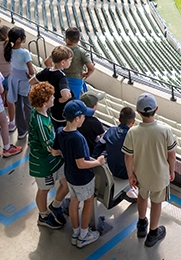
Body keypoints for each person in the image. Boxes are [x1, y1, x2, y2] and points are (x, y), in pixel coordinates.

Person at [123, 93, 177, 248]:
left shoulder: (132, 131)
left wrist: (130, 174)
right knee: (156, 203)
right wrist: (172, 171)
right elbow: (172, 155)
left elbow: (128, 157)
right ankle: (153, 233)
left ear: (138, 112)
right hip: (160, 177)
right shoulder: (165, 130)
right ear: (156, 109)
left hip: (140, 175)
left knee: (142, 196)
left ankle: (141, 224)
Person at [52, 100, 105, 249]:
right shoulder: (78, 138)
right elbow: (81, 163)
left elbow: (55, 151)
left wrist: (67, 153)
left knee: (74, 201)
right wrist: (98, 162)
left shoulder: (61, 131)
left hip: (69, 175)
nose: (84, 119)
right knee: (88, 201)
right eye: (83, 117)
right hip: (83, 178)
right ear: (77, 118)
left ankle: (75, 233)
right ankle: (83, 235)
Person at [28, 82, 70, 229]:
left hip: (54, 160)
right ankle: (43, 215)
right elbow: (51, 149)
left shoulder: (42, 112)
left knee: (66, 184)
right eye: (51, 97)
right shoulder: (40, 122)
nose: (54, 98)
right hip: (43, 163)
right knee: (44, 189)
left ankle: (55, 206)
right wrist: (67, 152)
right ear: (45, 102)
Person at [92, 106, 137, 199]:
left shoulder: (110, 131)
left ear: (119, 119)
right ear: (133, 122)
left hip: (110, 170)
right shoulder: (133, 137)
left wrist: (94, 163)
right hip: (125, 174)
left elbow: (99, 146)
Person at [30, 46, 73, 130]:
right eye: (70, 60)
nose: (71, 62)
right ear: (63, 62)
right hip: (61, 111)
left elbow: (31, 81)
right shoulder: (61, 76)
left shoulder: (47, 71)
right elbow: (66, 95)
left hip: (51, 108)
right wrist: (58, 100)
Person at [4, 27, 34, 140]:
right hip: (24, 81)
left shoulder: (9, 50)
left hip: (14, 79)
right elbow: (31, 71)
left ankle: (21, 131)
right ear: (18, 40)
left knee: (18, 107)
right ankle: (31, 131)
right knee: (27, 107)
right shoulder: (24, 53)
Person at [61, 27, 95, 100]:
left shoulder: (60, 50)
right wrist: (87, 74)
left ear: (67, 39)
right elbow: (91, 68)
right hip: (76, 80)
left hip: (61, 78)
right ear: (78, 39)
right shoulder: (82, 52)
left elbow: (47, 62)